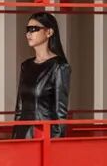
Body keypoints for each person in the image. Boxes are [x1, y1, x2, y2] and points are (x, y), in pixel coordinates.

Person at [13, 10, 71, 139]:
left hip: (44, 137)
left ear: (49, 32)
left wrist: (56, 145)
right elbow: (19, 109)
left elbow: (60, 114)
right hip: (23, 136)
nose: (29, 33)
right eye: (27, 29)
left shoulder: (59, 66)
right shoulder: (26, 65)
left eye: (34, 29)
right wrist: (14, 140)